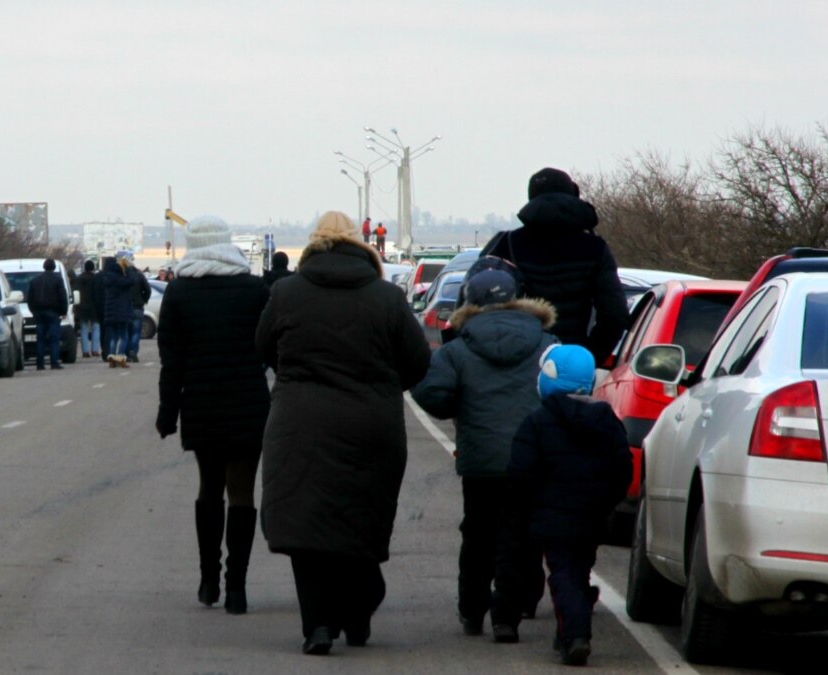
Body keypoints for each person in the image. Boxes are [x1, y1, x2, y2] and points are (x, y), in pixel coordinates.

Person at [257, 211, 431, 655]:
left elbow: (263, 347)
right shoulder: (386, 298)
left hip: (299, 420)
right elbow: (417, 363)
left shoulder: (286, 293)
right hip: (373, 424)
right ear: (362, 246)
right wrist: (381, 385)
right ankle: (358, 610)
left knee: (305, 520)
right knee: (363, 512)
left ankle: (318, 625)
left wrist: (297, 379)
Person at [410, 269, 557, 642]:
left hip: (480, 459)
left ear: (469, 302)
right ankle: (507, 614)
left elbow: (431, 394)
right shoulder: (546, 344)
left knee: (477, 534)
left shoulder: (458, 349)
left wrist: (461, 406)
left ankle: (472, 610)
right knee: (519, 534)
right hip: (530, 457)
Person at [155, 215, 271, 616]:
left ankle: (209, 580)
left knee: (210, 486)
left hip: (201, 405)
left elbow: (171, 363)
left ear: (193, 243)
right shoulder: (254, 289)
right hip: (249, 403)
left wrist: (167, 415)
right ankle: (237, 588)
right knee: (242, 491)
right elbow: (271, 348)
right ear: (226, 242)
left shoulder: (179, 292)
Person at [505, 345, 632, 666]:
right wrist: (606, 503)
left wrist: (526, 508)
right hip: (592, 516)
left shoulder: (537, 422)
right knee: (578, 571)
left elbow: (520, 473)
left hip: (551, 517)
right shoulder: (608, 422)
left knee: (564, 574)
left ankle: (577, 635)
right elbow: (623, 470)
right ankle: (568, 631)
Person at [479, 168, 629, 364]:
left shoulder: (506, 243)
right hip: (570, 362)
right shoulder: (595, 248)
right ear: (571, 197)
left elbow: (476, 304)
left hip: (515, 361)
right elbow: (615, 314)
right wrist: (588, 357)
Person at [26, 258, 68, 370]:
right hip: (53, 312)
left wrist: (33, 311)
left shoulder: (35, 280)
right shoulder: (58, 280)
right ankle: (54, 362)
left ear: (44, 267)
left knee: (40, 338)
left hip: (39, 313)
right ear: (54, 267)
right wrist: (64, 311)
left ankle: (40, 364)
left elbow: (29, 298)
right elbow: (62, 297)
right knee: (54, 338)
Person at [101, 251, 137, 368]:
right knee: (123, 335)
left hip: (111, 312)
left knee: (114, 335)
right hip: (121, 311)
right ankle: (120, 356)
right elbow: (131, 280)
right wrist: (128, 268)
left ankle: (111, 356)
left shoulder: (108, 278)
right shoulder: (119, 279)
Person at [127, 258, 151, 363]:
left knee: (127, 331)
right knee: (136, 332)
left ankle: (127, 353)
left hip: (126, 307)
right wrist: (144, 299)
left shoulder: (123, 276)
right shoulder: (139, 275)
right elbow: (148, 289)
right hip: (138, 306)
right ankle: (133, 352)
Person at [75, 260, 101, 358]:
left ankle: (85, 351)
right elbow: (98, 293)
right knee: (96, 328)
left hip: (82, 307)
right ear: (93, 268)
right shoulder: (96, 279)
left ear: (85, 268)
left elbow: (76, 291)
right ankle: (95, 350)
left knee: (84, 329)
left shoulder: (79, 279)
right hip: (94, 307)